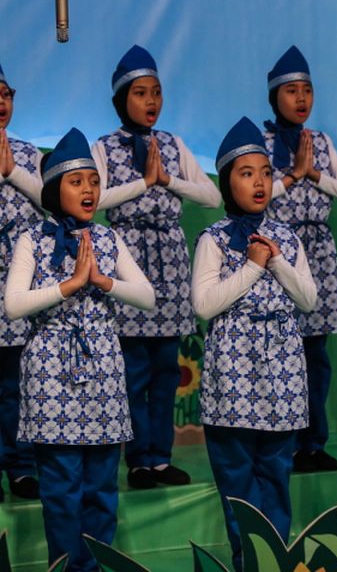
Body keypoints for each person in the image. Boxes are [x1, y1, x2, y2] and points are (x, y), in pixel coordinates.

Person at [4, 128, 154, 571]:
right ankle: (66, 566)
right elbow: (13, 305)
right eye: (77, 181)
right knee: (63, 487)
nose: (89, 189)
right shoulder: (33, 239)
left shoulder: (108, 239)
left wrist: (104, 281)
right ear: (53, 189)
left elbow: (146, 295)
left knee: (102, 488)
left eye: (93, 180)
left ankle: (97, 566)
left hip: (103, 371)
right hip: (51, 373)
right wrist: (68, 285)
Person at [93, 45, 221, 488]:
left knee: (167, 369)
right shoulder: (104, 146)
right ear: (121, 99)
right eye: (141, 93)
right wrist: (143, 183)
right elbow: (97, 201)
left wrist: (167, 179)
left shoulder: (173, 144)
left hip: (168, 258)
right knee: (133, 370)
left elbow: (211, 196)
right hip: (127, 258)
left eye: (157, 93)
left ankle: (161, 458)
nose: (151, 102)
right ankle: (138, 461)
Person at [192, 117, 317, 569]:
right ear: (228, 182)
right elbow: (204, 305)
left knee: (276, 473)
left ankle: (277, 559)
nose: (260, 182)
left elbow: (308, 298)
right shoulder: (214, 239)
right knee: (237, 478)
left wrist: (277, 262)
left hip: (282, 369)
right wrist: (250, 268)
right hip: (234, 372)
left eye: (265, 172)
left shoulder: (287, 237)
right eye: (247, 174)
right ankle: (248, 560)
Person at [261, 46, 337, 473]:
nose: (301, 99)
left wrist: (313, 172)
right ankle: (279, 442)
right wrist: (292, 176)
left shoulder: (320, 142)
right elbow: (259, 196)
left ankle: (313, 443)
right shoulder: (261, 144)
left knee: (315, 355)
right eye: (291, 91)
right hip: (278, 253)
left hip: (318, 252)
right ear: (274, 98)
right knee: (281, 352)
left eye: (307, 90)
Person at [0, 64, 42, 503]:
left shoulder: (30, 155)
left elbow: (53, 207)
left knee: (18, 383)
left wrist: (12, 170)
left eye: (6, 93)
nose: (1, 102)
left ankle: (22, 466)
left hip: (19, 286)